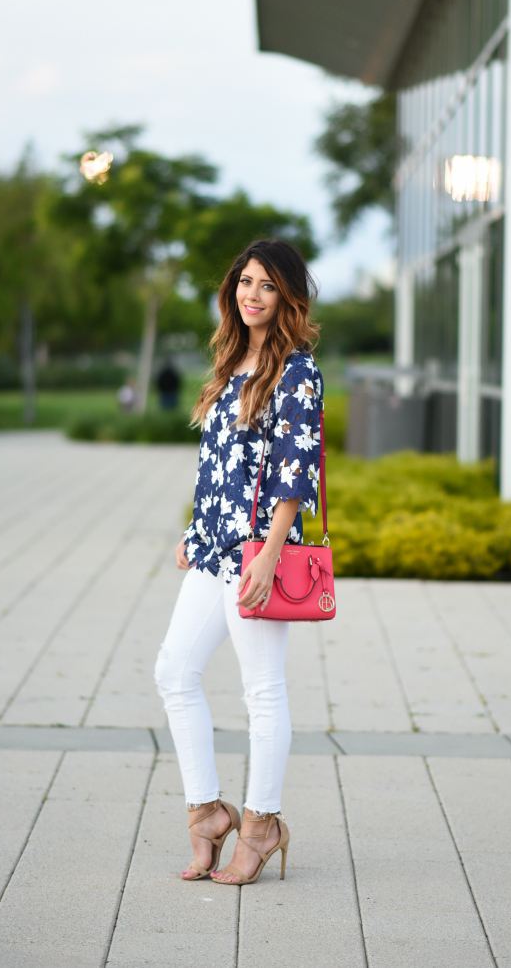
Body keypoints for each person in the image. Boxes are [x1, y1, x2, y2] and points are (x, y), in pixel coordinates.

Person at [154, 238, 323, 886]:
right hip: (214, 544)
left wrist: (272, 554)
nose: (251, 294)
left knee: (262, 689)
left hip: (259, 549)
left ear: (288, 296)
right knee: (174, 669)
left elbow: (294, 470)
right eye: (245, 282)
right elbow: (218, 462)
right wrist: (195, 529)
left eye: (267, 285)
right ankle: (206, 813)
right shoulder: (231, 359)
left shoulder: (297, 369)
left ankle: (261, 822)